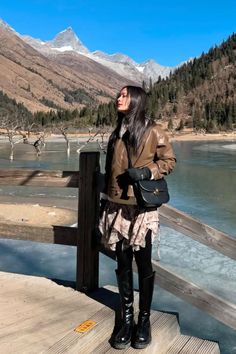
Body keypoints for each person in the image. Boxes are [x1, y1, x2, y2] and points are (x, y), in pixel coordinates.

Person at [99, 85, 176, 350]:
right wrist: (104, 201)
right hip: (116, 207)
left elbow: (169, 161)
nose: (118, 98)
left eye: (124, 95)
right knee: (121, 263)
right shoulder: (116, 132)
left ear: (137, 100)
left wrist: (146, 173)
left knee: (144, 265)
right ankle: (126, 320)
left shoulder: (154, 130)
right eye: (118, 95)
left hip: (142, 207)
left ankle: (144, 321)